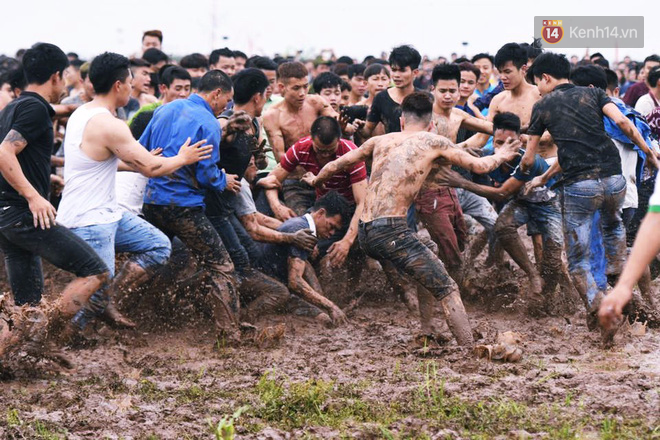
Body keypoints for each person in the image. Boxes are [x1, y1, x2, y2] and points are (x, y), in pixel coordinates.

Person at [308, 92, 521, 345]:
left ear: (401, 122)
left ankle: (427, 327)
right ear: (431, 123)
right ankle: (469, 350)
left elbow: (336, 165)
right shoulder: (433, 141)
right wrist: (504, 154)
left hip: (364, 232)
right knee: (448, 288)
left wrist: (315, 180)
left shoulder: (380, 140)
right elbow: (480, 167)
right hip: (391, 231)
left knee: (429, 249)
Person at [56, 52, 212, 331]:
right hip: (91, 220)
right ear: (118, 85)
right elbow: (151, 168)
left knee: (158, 245)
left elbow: (107, 159)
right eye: (129, 82)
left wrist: (140, 160)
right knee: (96, 283)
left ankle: (105, 303)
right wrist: (184, 158)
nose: (132, 87)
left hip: (106, 213)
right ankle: (61, 336)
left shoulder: (84, 113)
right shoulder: (110, 125)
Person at [522, 52, 659, 333]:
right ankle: (638, 302)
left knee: (577, 261)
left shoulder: (543, 105)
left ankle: (599, 310)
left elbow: (528, 158)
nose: (537, 89)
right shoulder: (594, 95)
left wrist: (526, 175)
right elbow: (623, 124)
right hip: (614, 182)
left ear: (545, 78)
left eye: (537, 83)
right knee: (615, 240)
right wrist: (650, 154)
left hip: (579, 188)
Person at [0, 43, 110, 366]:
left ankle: (17, 353)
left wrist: (46, 178)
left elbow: (24, 153)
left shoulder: (13, 107)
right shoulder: (35, 110)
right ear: (55, 76)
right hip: (23, 214)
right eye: (65, 79)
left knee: (27, 306)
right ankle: (44, 338)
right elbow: (5, 153)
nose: (65, 86)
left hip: (6, 216)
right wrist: (34, 195)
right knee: (96, 270)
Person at [139, 70, 243, 343]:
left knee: (154, 259)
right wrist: (224, 179)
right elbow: (207, 174)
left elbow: (141, 150)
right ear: (216, 94)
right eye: (227, 101)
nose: (226, 107)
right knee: (221, 265)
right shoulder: (208, 123)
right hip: (183, 207)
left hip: (151, 201)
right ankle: (229, 333)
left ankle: (130, 312)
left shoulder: (164, 110)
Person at [436, 112, 562, 313]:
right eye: (498, 142)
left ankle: (555, 300)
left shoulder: (527, 161)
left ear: (520, 141)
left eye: (508, 142)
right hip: (522, 202)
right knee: (502, 226)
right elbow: (468, 156)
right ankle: (531, 275)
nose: (502, 148)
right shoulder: (488, 154)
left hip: (549, 205)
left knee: (553, 261)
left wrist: (461, 182)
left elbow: (502, 194)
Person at [417, 64, 494, 286]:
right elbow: (428, 154)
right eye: (443, 91)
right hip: (427, 192)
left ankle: (445, 281)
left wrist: (522, 129)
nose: (448, 96)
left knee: (460, 241)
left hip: (450, 189)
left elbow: (490, 127)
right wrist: (461, 149)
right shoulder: (424, 120)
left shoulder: (458, 115)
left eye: (453, 90)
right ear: (433, 89)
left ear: (460, 90)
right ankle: (452, 294)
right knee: (451, 251)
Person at [261, 116, 368, 268]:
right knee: (309, 248)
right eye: (320, 150)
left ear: (339, 140)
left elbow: (362, 203)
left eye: (330, 151)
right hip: (325, 208)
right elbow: (271, 179)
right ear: (311, 139)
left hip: (352, 207)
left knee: (362, 248)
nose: (324, 155)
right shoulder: (301, 148)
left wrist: (347, 241)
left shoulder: (350, 153)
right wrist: (277, 206)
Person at [259, 191, 351, 325]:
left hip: (276, 285)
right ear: (320, 213)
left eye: (335, 230)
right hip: (273, 289)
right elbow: (295, 282)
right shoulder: (303, 232)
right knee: (325, 321)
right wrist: (330, 306)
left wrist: (323, 302)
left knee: (324, 315)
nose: (332, 234)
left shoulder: (300, 224)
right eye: (331, 226)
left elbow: (304, 269)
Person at [262, 61, 337, 216]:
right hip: (295, 181)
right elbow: (281, 158)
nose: (302, 92)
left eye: (305, 86)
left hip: (326, 175)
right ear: (282, 88)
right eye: (296, 88)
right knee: (303, 223)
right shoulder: (272, 115)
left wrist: (349, 125)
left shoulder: (316, 102)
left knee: (336, 219)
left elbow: (338, 126)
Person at [599, 174, 660, 341]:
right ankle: (648, 304)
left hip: (621, 195)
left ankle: (647, 303)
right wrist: (624, 286)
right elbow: (655, 221)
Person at [361, 45, 421, 137]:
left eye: (402, 70)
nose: (396, 75)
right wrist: (357, 128)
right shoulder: (382, 98)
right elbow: (367, 130)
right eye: (393, 70)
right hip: (391, 149)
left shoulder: (425, 99)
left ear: (415, 72)